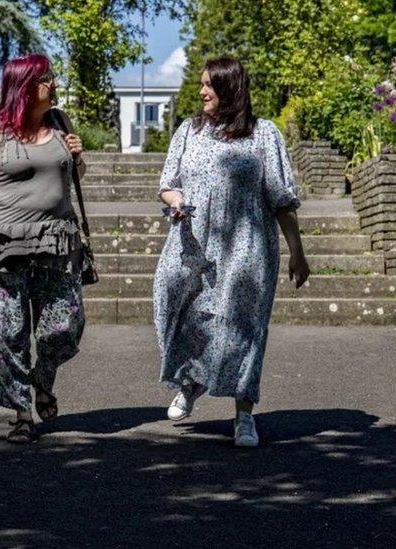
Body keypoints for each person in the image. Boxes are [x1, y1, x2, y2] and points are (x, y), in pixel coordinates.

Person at [153, 57, 310, 448]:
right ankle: (191, 382)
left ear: (230, 89)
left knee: (244, 327)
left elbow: (281, 199)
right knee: (178, 309)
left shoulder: (263, 134)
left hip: (247, 246)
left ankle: (243, 416)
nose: (202, 91)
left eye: (210, 84)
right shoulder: (189, 131)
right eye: (202, 83)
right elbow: (167, 183)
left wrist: (297, 252)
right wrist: (176, 201)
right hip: (192, 243)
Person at [0, 54, 87, 444]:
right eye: (48, 79)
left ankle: (41, 380)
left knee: (66, 325)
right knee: (9, 333)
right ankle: (21, 411)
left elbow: (74, 175)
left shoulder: (60, 123)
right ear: (28, 86)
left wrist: (78, 158)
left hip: (56, 243)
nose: (55, 84)